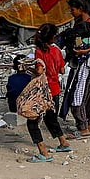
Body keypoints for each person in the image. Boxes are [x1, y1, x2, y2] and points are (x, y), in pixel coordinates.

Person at [27, 25, 73, 162]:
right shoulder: (56, 51)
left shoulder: (39, 52)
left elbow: (40, 70)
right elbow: (62, 70)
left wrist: (31, 70)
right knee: (51, 119)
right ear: (53, 37)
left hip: (43, 91)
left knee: (32, 121)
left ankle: (43, 152)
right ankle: (63, 142)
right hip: (55, 90)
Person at [61, 0, 90, 136]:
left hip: (86, 63)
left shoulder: (89, 24)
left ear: (80, 9)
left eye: (72, 9)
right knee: (87, 93)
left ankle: (82, 127)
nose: (71, 12)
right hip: (81, 60)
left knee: (78, 94)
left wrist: (85, 50)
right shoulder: (79, 21)